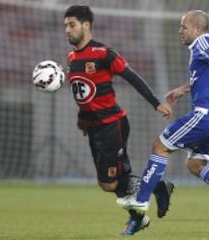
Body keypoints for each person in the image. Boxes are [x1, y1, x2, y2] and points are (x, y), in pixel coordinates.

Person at [117, 10, 209, 228]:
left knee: (160, 146)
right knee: (195, 164)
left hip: (206, 116)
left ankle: (141, 202)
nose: (180, 31)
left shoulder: (202, 42)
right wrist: (183, 89)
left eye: (184, 26)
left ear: (197, 29)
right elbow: (207, 76)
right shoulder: (203, 50)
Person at [63, 5, 175, 235]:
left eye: (71, 24)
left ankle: (156, 188)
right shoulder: (72, 57)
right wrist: (83, 119)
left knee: (110, 182)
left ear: (86, 25)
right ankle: (139, 217)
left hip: (112, 124)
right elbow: (82, 95)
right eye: (65, 25)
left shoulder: (103, 53)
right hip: (93, 127)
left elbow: (132, 77)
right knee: (111, 183)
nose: (67, 29)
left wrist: (156, 103)